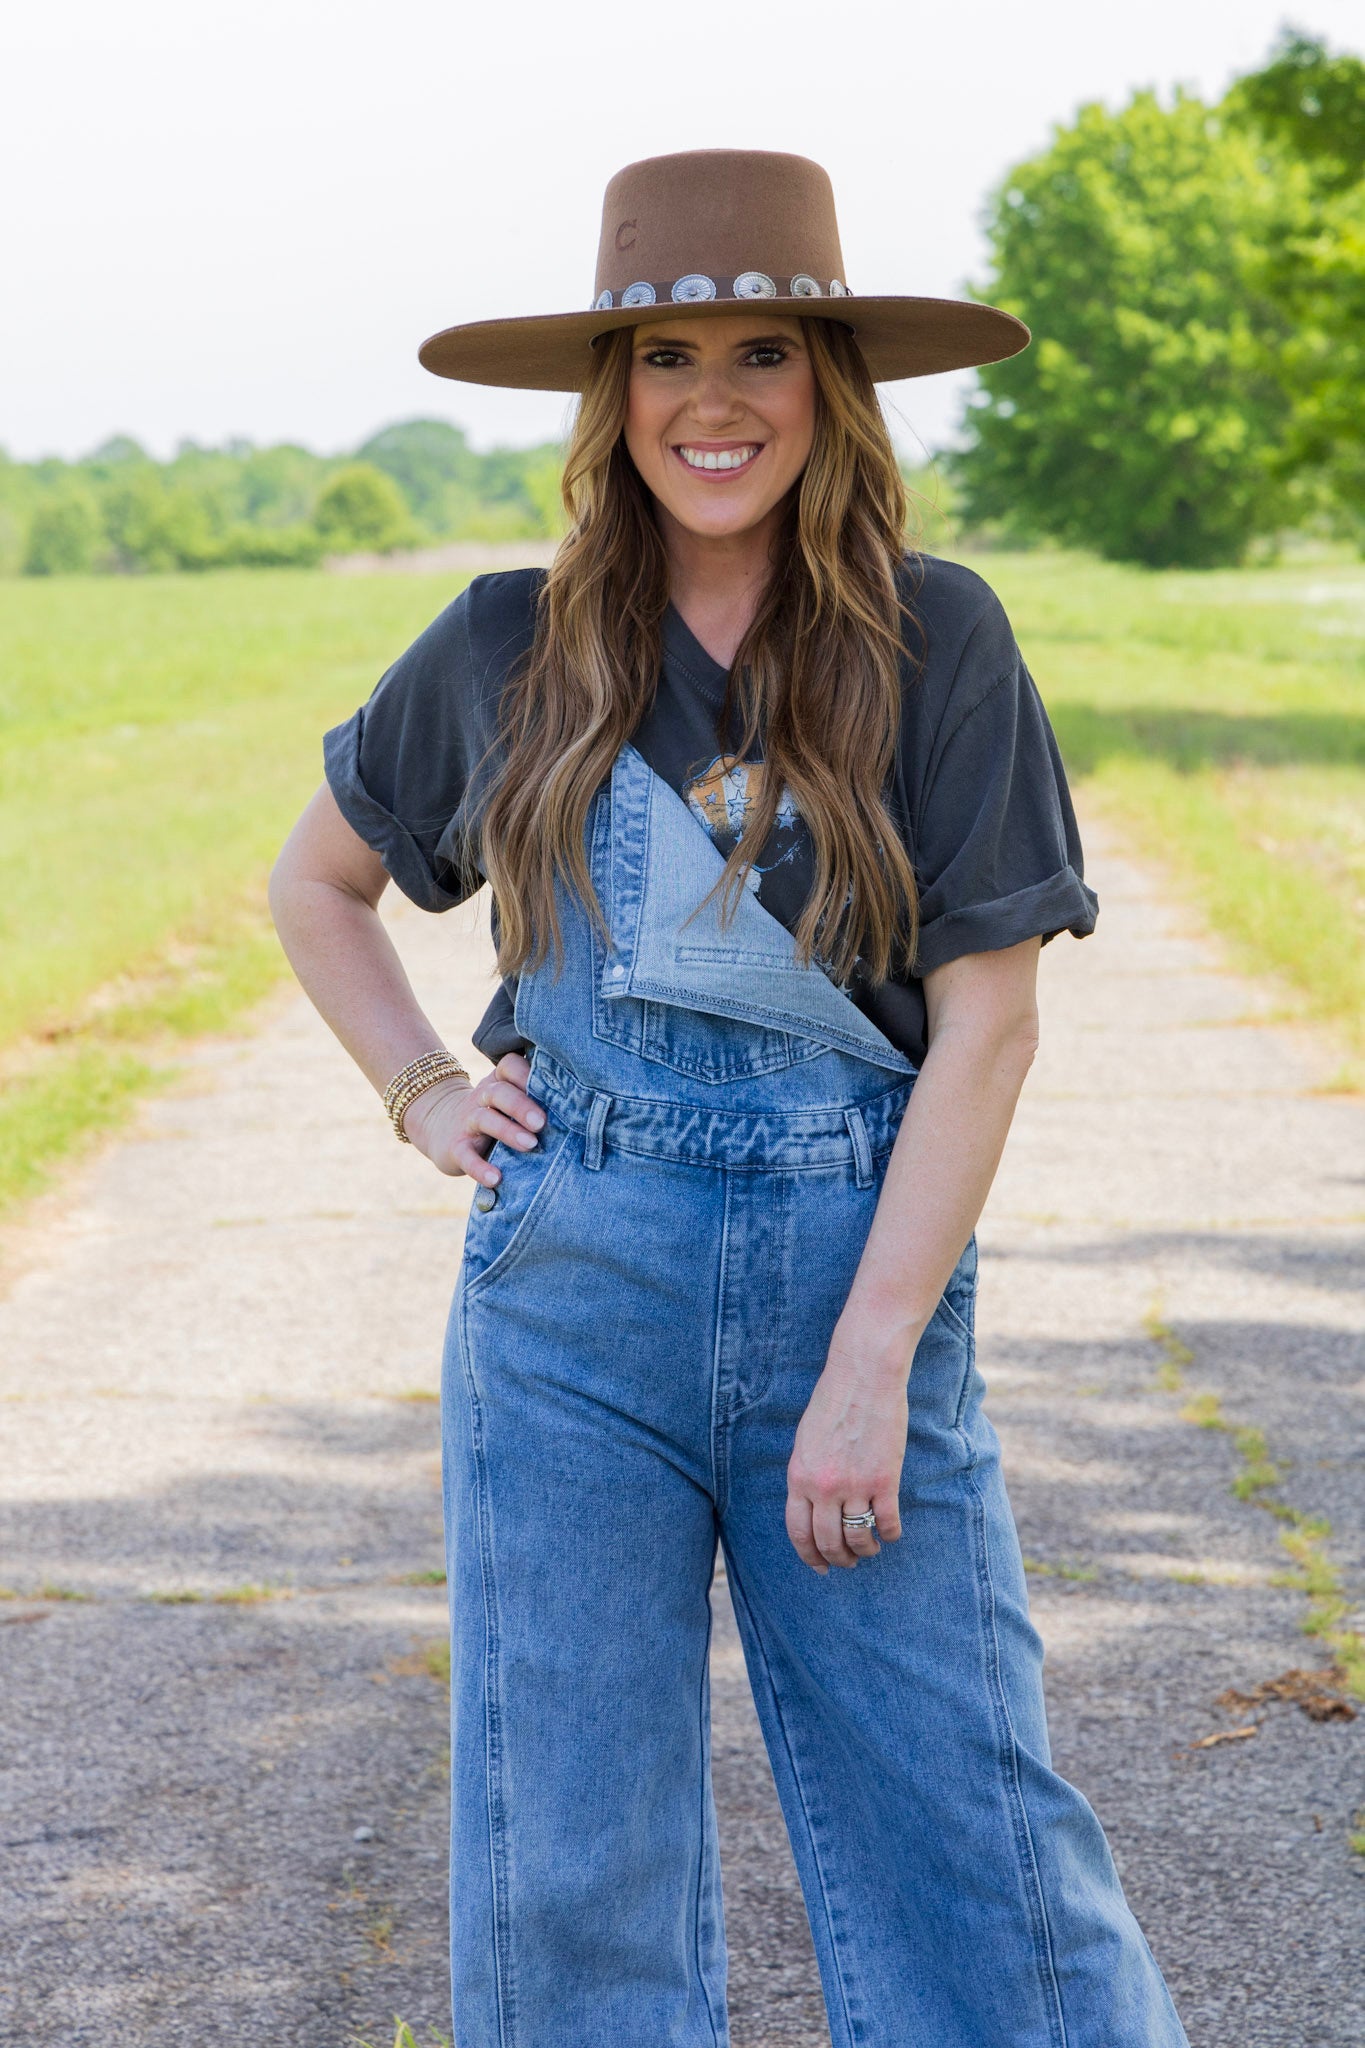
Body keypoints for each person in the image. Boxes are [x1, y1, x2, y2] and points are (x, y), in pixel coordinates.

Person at [269, 150, 1189, 2048]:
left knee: (966, 1830)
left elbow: (988, 1030)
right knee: (565, 1859)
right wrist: (425, 1090)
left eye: (760, 352)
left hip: (850, 1276)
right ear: (610, 405)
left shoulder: (937, 642)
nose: (710, 401)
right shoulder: (503, 647)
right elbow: (317, 886)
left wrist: (867, 1363)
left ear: (825, 390)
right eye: (663, 355)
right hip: (566, 1307)